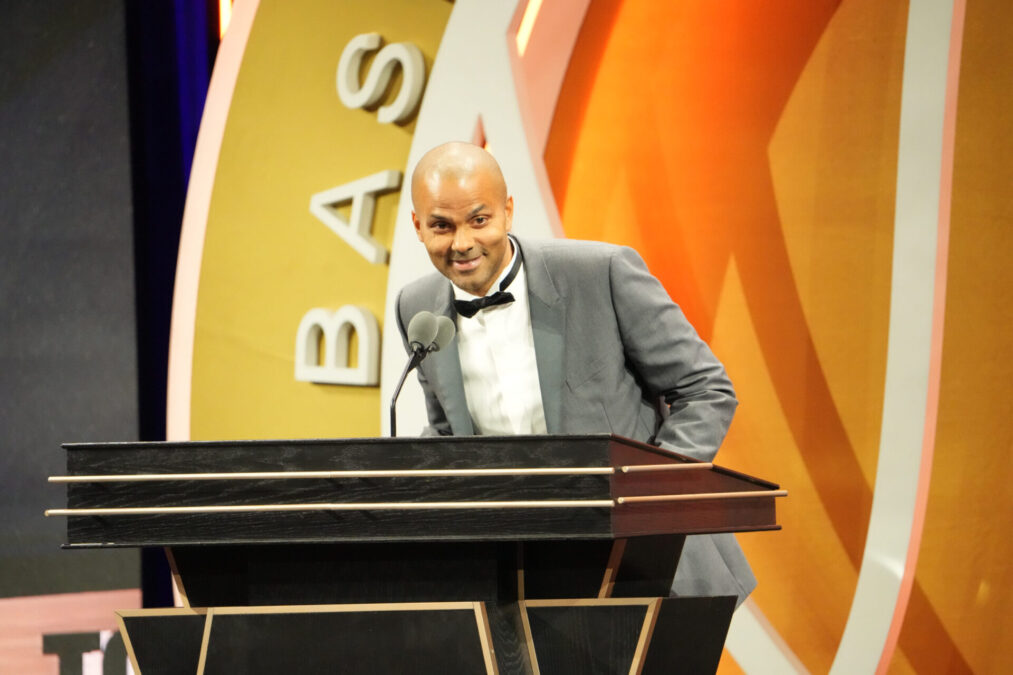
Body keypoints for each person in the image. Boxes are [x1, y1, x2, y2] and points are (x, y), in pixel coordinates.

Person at [395, 141, 755, 604]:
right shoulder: (416, 306)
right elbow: (447, 431)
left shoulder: (601, 272)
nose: (462, 243)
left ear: (507, 211)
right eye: (442, 226)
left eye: (479, 220)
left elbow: (705, 389)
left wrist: (649, 494)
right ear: (418, 226)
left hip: (648, 561)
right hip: (517, 575)